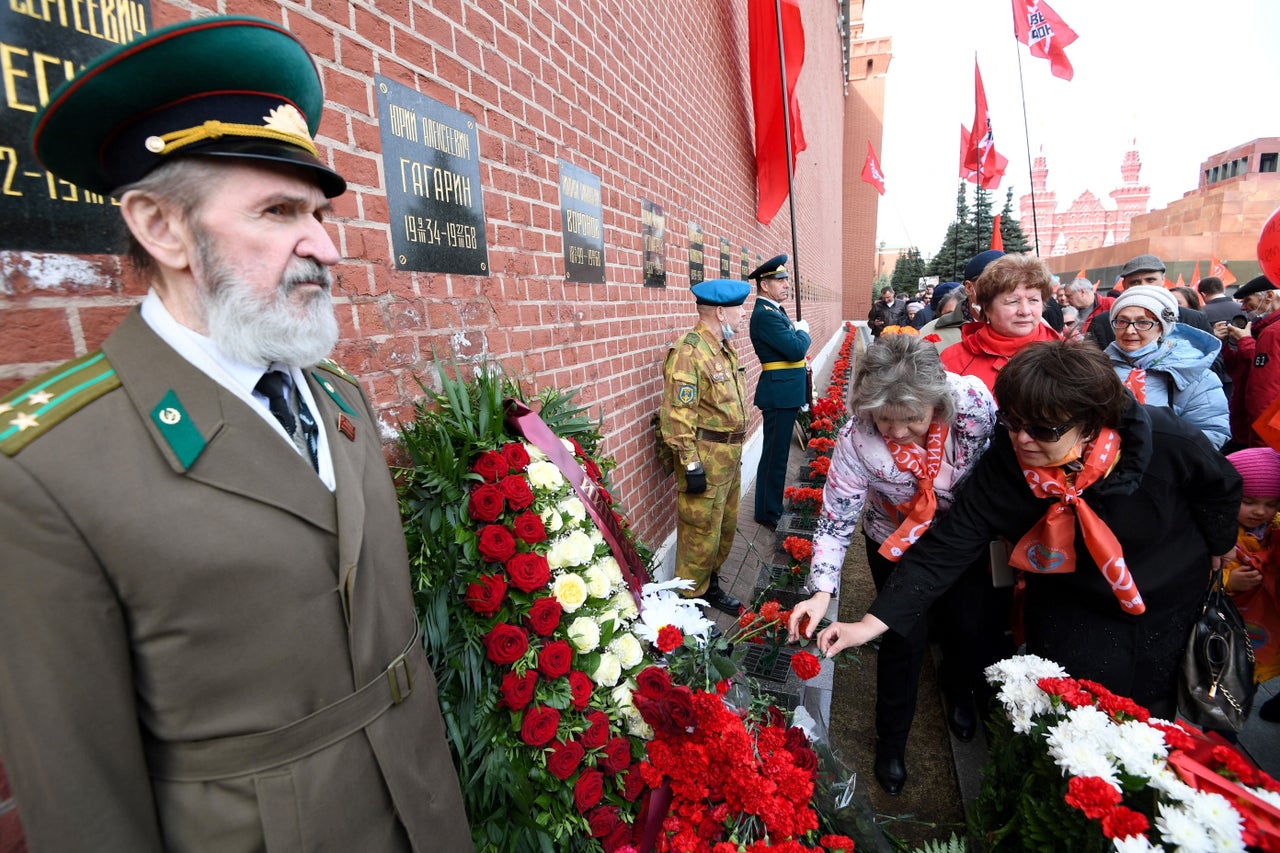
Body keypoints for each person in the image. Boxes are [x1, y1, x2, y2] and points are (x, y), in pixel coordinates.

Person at [0, 17, 472, 852]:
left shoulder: (340, 400)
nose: (325, 246)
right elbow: (84, 804)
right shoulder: (49, 468)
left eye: (320, 213)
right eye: (280, 210)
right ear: (163, 228)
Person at [803, 342, 1242, 720]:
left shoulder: (1169, 439)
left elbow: (1220, 487)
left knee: (1147, 711)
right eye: (1012, 424)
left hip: (1161, 595)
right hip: (1068, 597)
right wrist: (869, 624)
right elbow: (948, 545)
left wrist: (1221, 543)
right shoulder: (1008, 465)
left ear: (1090, 423)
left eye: (1043, 429)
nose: (1022, 441)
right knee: (1065, 708)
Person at [787, 334, 996, 795]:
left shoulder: (974, 406)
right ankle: (892, 742)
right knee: (902, 637)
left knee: (966, 625)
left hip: (961, 540)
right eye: (886, 419)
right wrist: (822, 590)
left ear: (937, 402)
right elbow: (837, 516)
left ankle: (960, 694)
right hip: (895, 540)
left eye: (913, 419)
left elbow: (994, 474)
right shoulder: (857, 438)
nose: (898, 432)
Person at [660, 278, 752, 615]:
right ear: (720, 311)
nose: (743, 315)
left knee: (723, 530)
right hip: (706, 460)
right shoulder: (689, 352)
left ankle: (709, 587)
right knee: (699, 535)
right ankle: (687, 607)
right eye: (739, 308)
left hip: (729, 458)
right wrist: (690, 463)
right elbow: (677, 414)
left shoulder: (723, 349)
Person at [1103, 285, 1231, 449]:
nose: (1129, 330)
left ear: (1162, 327)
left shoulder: (1196, 374)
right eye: (1122, 321)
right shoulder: (1098, 368)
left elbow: (1212, 434)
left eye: (1143, 322)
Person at [747, 254, 811, 529]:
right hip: (779, 394)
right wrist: (803, 333)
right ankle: (767, 512)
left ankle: (769, 507)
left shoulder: (775, 311)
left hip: (785, 392)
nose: (787, 285)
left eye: (786, 280)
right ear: (764, 285)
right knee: (775, 456)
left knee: (778, 454)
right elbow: (796, 349)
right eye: (780, 280)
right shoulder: (765, 316)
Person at [939, 253, 1062, 391]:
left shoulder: (1067, 355)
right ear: (986, 307)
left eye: (1033, 300)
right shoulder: (954, 361)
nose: (1025, 311)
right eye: (1013, 301)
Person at [1221, 447, 1280, 722]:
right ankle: (1220, 734)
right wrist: (1227, 580)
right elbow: (1189, 572)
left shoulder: (1272, 532)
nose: (1260, 511)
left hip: (1259, 629)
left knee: (1247, 681)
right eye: (1249, 501)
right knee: (1223, 684)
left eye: (1271, 504)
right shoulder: (1217, 532)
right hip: (1222, 629)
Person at [1227, 275, 1280, 448]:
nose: (1243, 307)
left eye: (1247, 300)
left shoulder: (1272, 332)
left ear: (1269, 296)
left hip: (1263, 439)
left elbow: (1264, 390)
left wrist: (1261, 445)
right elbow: (1243, 373)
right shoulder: (1263, 329)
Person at [918, 250, 1005, 353]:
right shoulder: (931, 335)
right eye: (992, 285)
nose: (1002, 293)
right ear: (968, 288)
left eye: (1011, 286)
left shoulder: (1024, 329)